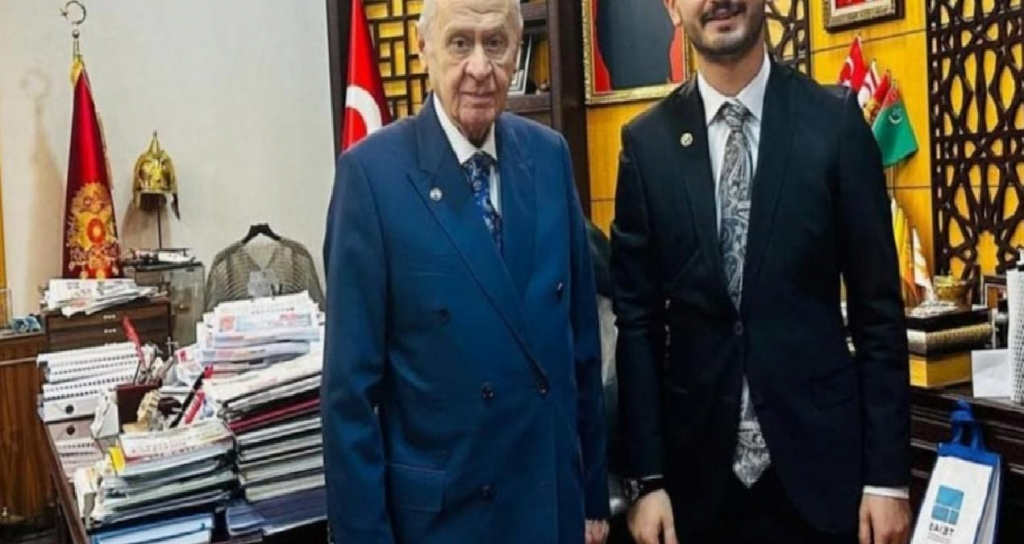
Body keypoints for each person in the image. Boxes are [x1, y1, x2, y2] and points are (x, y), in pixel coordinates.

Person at [610, 1, 912, 543]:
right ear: (672, 7)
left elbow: (878, 312)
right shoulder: (646, 145)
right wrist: (646, 480)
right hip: (694, 491)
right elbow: (637, 325)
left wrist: (887, 479)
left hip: (823, 482)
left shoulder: (835, 123)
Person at [321, 0, 610, 541]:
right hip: (444, 520)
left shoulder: (549, 157)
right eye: (460, 43)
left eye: (495, 43)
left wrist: (592, 495)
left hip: (548, 507)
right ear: (423, 48)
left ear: (517, 50)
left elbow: (581, 347)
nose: (480, 67)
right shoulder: (371, 177)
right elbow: (349, 398)